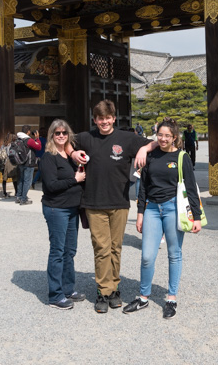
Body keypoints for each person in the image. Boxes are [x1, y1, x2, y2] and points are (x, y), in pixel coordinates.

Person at [71, 100, 150, 314]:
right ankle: (103, 291)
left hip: (119, 203)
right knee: (101, 249)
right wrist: (72, 153)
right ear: (94, 119)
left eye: (108, 118)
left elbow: (154, 143)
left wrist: (143, 150)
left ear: (114, 118)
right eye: (100, 118)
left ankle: (114, 288)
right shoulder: (86, 138)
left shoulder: (127, 138)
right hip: (94, 202)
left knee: (116, 248)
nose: (104, 122)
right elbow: (63, 141)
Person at [123, 118, 202, 319]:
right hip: (152, 209)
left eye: (167, 135)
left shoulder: (181, 157)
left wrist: (197, 217)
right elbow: (143, 187)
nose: (163, 138)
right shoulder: (150, 155)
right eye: (160, 135)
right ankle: (143, 296)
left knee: (174, 254)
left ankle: (171, 298)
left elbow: (191, 189)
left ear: (175, 137)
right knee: (147, 256)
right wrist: (140, 213)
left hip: (173, 208)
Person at [41, 119, 86, 309]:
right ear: (52, 135)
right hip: (56, 208)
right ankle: (55, 295)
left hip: (72, 209)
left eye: (64, 133)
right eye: (57, 133)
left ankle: (68, 288)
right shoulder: (48, 157)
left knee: (70, 251)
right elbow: (50, 186)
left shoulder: (68, 156)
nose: (61, 136)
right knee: (58, 251)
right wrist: (74, 179)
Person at [15, 125, 42, 205]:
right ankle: (24, 199)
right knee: (27, 181)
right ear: (28, 131)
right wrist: (37, 138)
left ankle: (19, 197)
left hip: (20, 162)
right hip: (29, 163)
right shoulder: (29, 140)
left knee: (21, 180)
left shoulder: (18, 139)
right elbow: (39, 147)